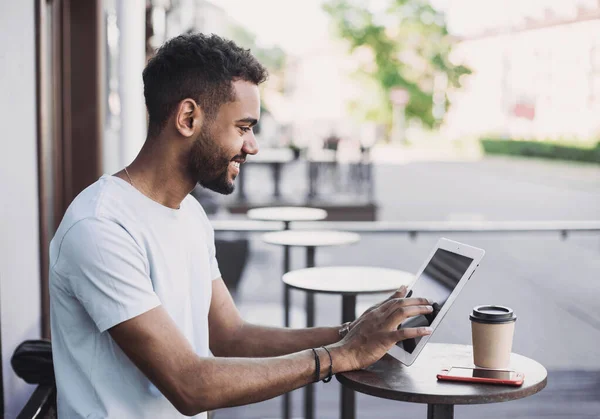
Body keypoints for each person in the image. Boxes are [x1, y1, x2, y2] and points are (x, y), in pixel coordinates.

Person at [49, 33, 433, 418]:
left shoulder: (189, 214)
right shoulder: (100, 227)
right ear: (188, 118)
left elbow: (232, 336)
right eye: (243, 127)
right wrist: (340, 355)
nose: (252, 146)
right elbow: (189, 384)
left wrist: (352, 331)